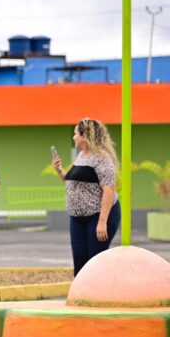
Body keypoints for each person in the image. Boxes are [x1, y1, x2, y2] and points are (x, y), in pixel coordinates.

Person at [51, 117, 120, 275]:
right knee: (80, 262)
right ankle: (81, 299)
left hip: (97, 216)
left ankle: (98, 298)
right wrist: (60, 170)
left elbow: (108, 189)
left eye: (76, 133)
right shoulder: (82, 155)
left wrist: (102, 222)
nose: (74, 136)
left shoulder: (102, 158)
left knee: (94, 262)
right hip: (77, 218)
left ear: (85, 135)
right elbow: (73, 183)